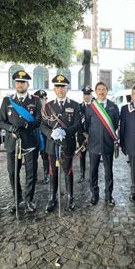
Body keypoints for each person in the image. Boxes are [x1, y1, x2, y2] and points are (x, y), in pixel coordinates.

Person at [0, 70, 42, 213]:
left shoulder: (35, 100)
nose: (20, 84)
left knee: (31, 172)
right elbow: (0, 121)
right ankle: (18, 199)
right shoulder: (7, 101)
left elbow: (39, 120)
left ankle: (29, 199)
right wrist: (10, 128)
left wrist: (28, 125)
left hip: (30, 142)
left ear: (27, 84)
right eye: (18, 82)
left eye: (23, 82)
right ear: (15, 84)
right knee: (12, 172)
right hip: (13, 142)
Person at [41, 75, 82, 212]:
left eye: (63, 86)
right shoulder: (48, 106)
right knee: (53, 172)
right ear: (54, 89)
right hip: (52, 144)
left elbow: (78, 124)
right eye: (58, 87)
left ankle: (70, 197)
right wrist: (50, 133)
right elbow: (42, 125)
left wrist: (66, 132)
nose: (60, 89)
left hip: (67, 143)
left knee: (68, 171)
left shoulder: (75, 105)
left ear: (67, 89)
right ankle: (53, 197)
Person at [85, 81, 120, 206]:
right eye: (99, 89)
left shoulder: (113, 107)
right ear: (96, 92)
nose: (101, 92)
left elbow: (115, 124)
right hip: (94, 144)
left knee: (108, 171)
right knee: (93, 171)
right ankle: (94, 194)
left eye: (104, 89)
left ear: (107, 91)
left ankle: (108, 195)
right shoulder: (90, 107)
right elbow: (87, 125)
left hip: (107, 144)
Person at [77, 85, 93, 183]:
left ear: (91, 95)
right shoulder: (78, 107)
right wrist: (84, 133)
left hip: (93, 136)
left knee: (93, 156)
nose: (86, 96)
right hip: (81, 136)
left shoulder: (95, 107)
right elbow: (77, 122)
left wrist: (90, 134)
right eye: (85, 94)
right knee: (81, 156)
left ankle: (92, 175)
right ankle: (82, 174)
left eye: (88, 94)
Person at [34, 89, 50, 184]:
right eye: (40, 99)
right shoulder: (32, 109)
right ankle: (34, 175)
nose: (42, 101)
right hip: (35, 135)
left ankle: (46, 175)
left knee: (45, 156)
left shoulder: (49, 110)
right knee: (34, 157)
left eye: (44, 99)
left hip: (45, 136)